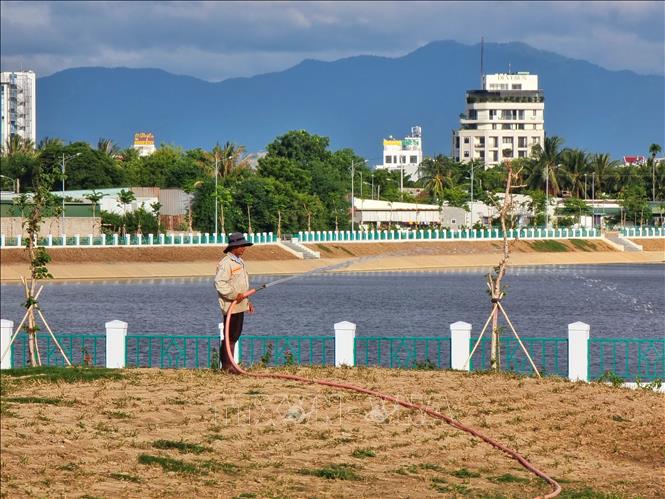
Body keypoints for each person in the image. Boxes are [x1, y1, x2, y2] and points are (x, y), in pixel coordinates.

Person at [214, 232, 255, 372]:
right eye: (241, 246)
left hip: (240, 306)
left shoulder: (239, 261)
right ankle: (227, 366)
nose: (244, 248)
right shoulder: (226, 263)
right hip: (230, 306)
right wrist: (234, 295)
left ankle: (230, 365)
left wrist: (247, 302)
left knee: (235, 335)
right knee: (229, 336)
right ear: (233, 247)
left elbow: (241, 285)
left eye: (244, 245)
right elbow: (220, 283)